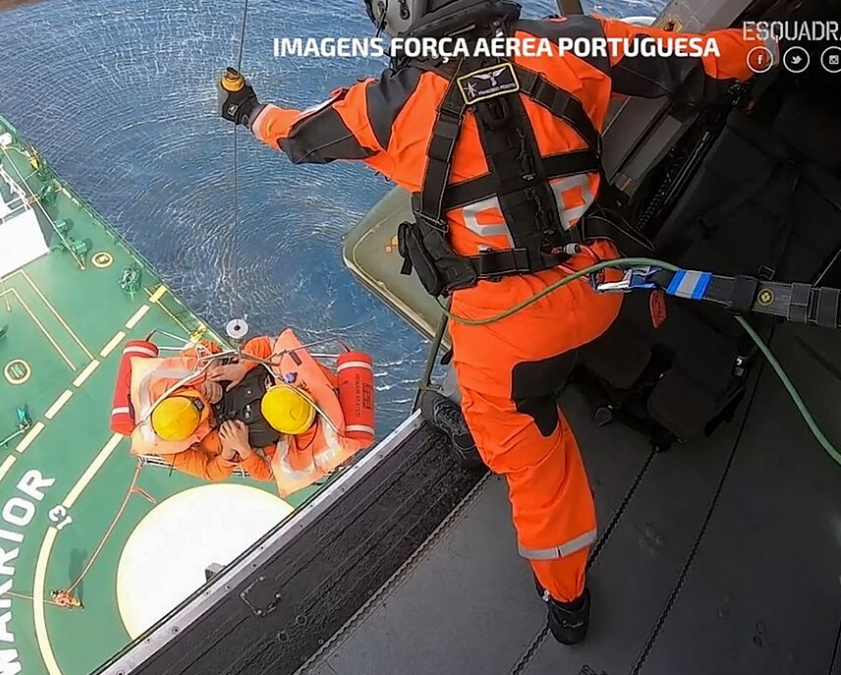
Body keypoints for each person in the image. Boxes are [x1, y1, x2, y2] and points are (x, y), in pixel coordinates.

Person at [218, 0, 775, 644]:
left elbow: (297, 135)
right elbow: (699, 63)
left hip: (511, 336)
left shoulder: (384, 108)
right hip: (604, 281)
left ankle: (567, 599)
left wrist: (247, 109)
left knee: (529, 455)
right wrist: (778, 41)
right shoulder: (570, 42)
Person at [149, 336, 324, 482]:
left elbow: (207, 346)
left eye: (195, 397)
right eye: (201, 412)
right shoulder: (171, 452)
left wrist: (207, 375)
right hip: (238, 439)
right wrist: (234, 450)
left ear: (177, 394)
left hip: (251, 394)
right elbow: (210, 471)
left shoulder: (165, 382)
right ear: (196, 430)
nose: (206, 401)